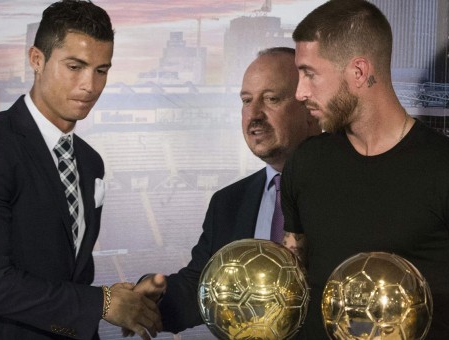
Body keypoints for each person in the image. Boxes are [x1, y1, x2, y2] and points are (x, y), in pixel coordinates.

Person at [281, 1, 449, 339]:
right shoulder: (305, 162)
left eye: (310, 74)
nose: (300, 92)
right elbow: (294, 280)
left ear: (358, 72)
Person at [0, 1, 164, 339]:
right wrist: (101, 303)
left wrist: (123, 298)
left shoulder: (89, 161)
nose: (90, 85)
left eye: (101, 70)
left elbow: (67, 276)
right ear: (36, 60)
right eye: (75, 66)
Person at [136, 47, 322, 334]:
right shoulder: (228, 203)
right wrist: (152, 298)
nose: (254, 114)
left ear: (310, 107)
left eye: (271, 99)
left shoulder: (355, 189)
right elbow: (202, 290)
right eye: (247, 100)